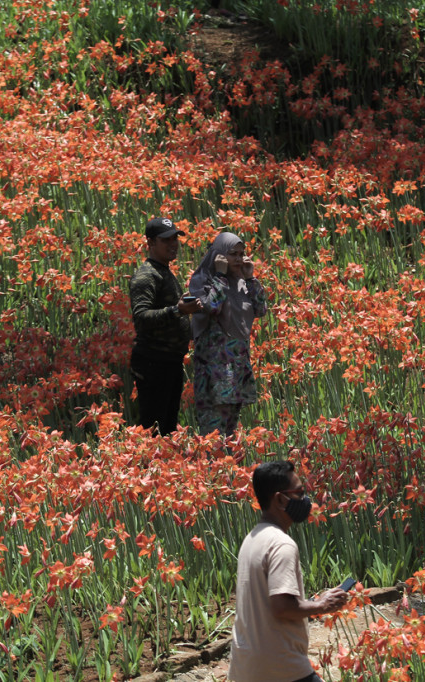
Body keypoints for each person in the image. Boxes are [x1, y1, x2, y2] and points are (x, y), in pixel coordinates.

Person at [229, 460, 349, 682]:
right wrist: (322, 605)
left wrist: (313, 600)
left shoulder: (252, 539)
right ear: (279, 499)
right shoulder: (281, 544)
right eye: (299, 492)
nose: (305, 500)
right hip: (281, 667)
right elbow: (281, 607)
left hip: (247, 666)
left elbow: (268, 602)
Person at [189, 232, 268, 437]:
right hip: (213, 373)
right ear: (218, 255)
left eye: (242, 254)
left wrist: (250, 278)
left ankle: (229, 469)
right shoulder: (202, 280)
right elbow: (212, 306)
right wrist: (221, 276)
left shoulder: (241, 283)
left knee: (231, 436)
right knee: (213, 437)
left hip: (237, 368)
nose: (239, 259)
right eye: (233, 254)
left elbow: (261, 310)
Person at [129, 217, 203, 436]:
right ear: (150, 243)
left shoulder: (162, 270)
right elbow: (141, 317)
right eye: (165, 240)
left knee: (168, 428)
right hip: (154, 363)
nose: (173, 244)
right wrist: (178, 311)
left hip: (168, 362)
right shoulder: (146, 275)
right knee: (154, 430)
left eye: (175, 239)